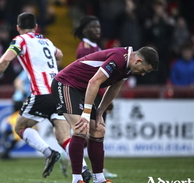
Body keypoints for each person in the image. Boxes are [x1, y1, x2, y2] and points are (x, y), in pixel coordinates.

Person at [51, 46, 159, 183]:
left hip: (81, 90)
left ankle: (99, 178)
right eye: (144, 70)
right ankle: (77, 179)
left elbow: (115, 88)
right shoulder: (119, 58)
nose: (142, 74)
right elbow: (94, 81)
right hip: (65, 84)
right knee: (80, 127)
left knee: (99, 128)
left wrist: (100, 111)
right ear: (138, 61)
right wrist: (86, 113)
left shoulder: (127, 67)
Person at [0, 12, 70, 178]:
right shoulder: (46, 41)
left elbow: (4, 60)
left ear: (18, 28)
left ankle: (49, 153)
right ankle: (83, 170)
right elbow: (60, 54)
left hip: (41, 94)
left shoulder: (20, 40)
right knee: (64, 136)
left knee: (20, 127)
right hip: (59, 93)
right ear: (36, 27)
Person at [73, 15, 117, 180]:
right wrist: (104, 98)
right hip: (91, 95)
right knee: (93, 132)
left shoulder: (94, 47)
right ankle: (88, 167)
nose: (98, 30)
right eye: (94, 27)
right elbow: (91, 78)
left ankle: (95, 168)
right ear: (85, 30)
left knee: (93, 133)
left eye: (98, 27)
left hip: (95, 94)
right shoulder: (85, 49)